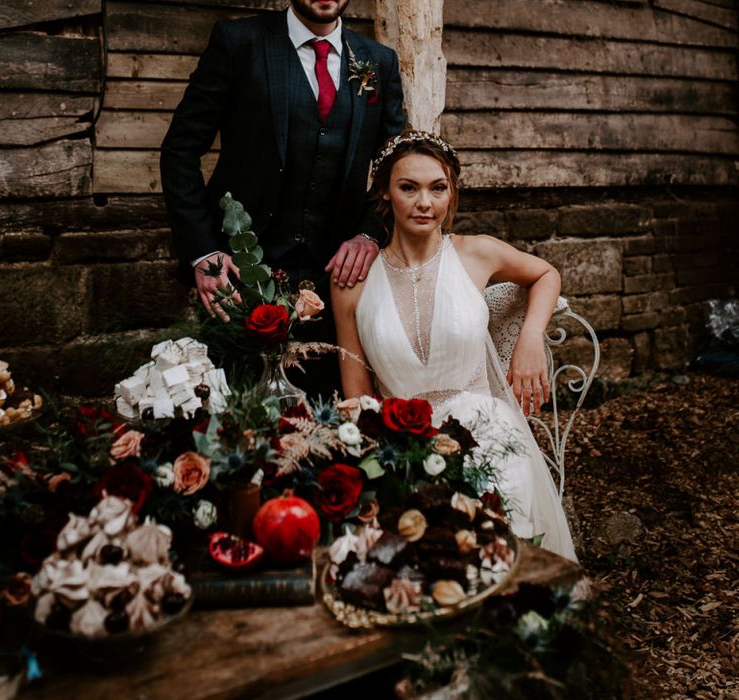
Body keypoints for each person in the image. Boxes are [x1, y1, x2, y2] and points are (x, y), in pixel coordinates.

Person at [331, 130, 577, 561]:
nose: (424, 203)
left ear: (451, 193)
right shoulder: (351, 284)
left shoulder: (477, 253)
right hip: (406, 448)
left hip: (490, 438)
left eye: (437, 188)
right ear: (386, 194)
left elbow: (546, 275)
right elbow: (357, 397)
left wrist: (530, 338)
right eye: (408, 188)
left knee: (505, 557)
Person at [160, 0, 406, 318]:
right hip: (238, 274)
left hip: (339, 276)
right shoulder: (238, 43)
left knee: (338, 369)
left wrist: (370, 232)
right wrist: (203, 251)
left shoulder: (379, 61)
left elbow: (397, 166)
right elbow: (180, 150)